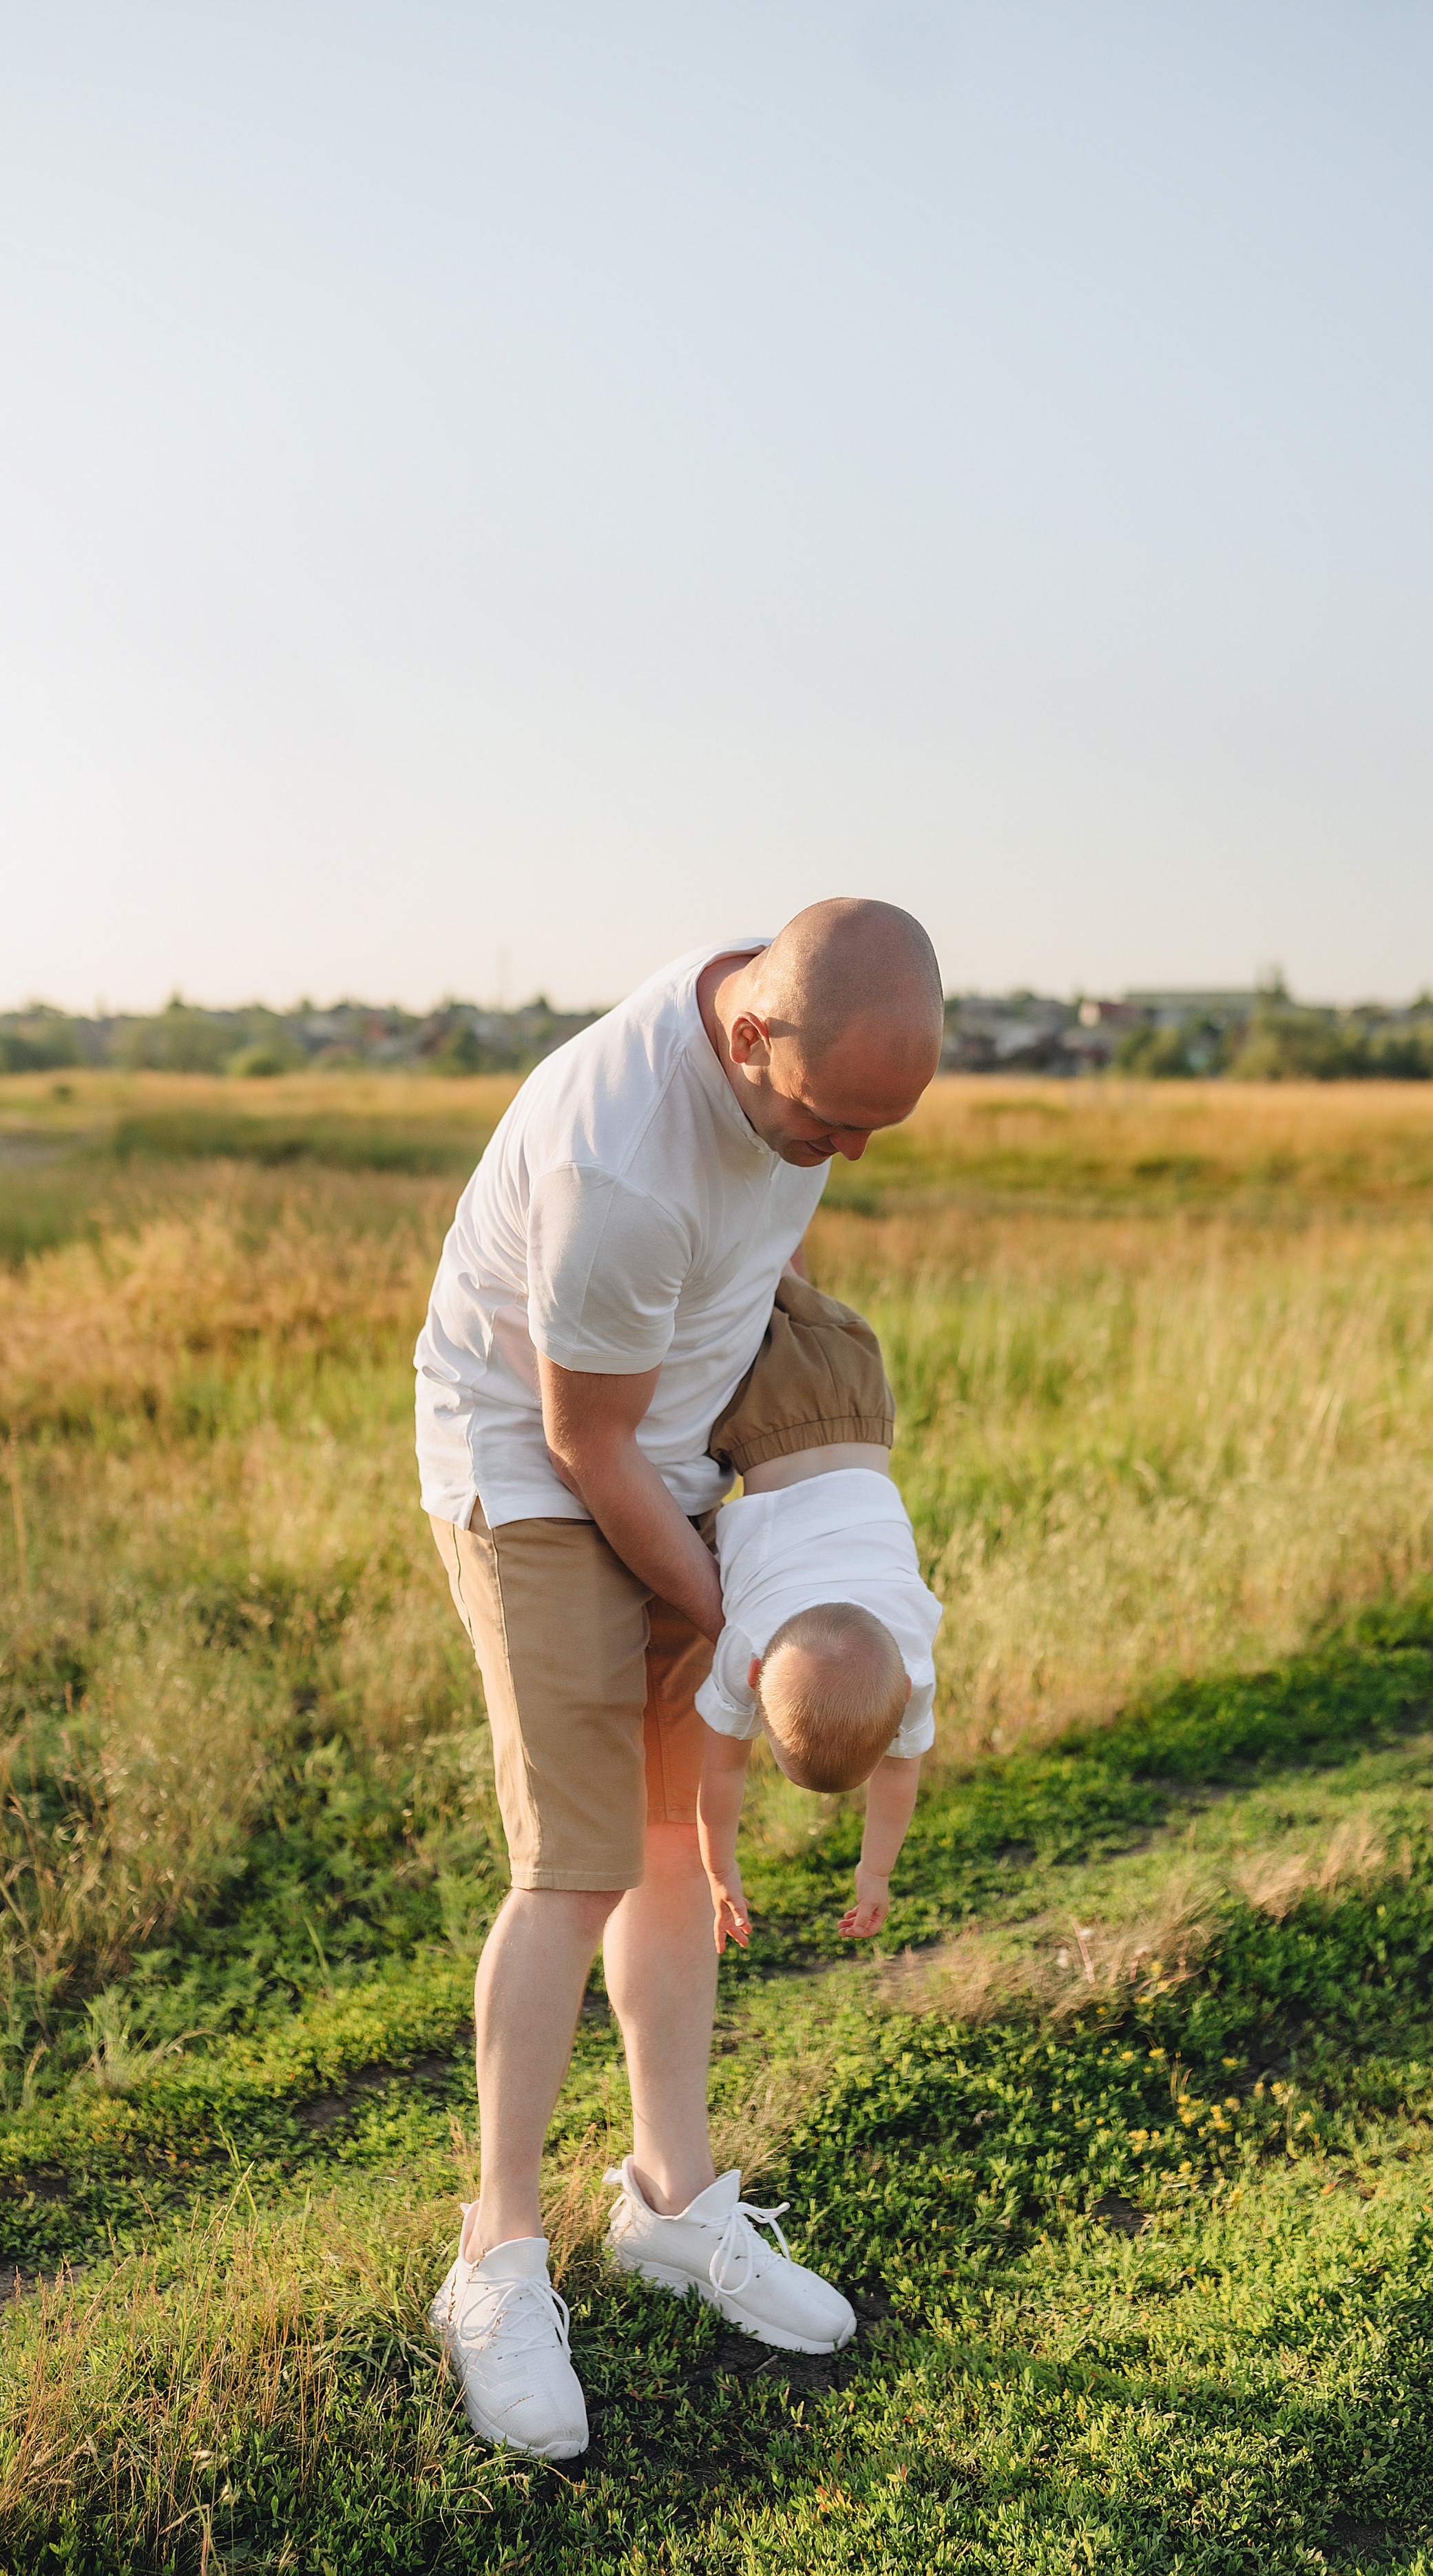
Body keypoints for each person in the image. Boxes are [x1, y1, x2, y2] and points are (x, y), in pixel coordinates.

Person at [414, 902, 942, 2458]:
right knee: (574, 1864)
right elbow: (582, 1441)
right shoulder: (621, 1164)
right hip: (540, 1471)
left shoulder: (796, 1072)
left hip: (679, 1457)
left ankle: (668, 2200)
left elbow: (759, 1255)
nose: (845, 1155)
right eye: (830, 1121)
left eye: (877, 1128)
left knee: (664, 1841)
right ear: (746, 1038)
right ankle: (495, 2255)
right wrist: (734, 1617)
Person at [683, 1277, 942, 1964]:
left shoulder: (914, 1665)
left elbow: (898, 1774)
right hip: (767, 1420)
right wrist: (719, 1872)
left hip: (862, 1391)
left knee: (785, 1283)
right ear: (754, 1677)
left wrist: (877, 1873)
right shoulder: (745, 1641)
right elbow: (721, 1774)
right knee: (736, 1283)